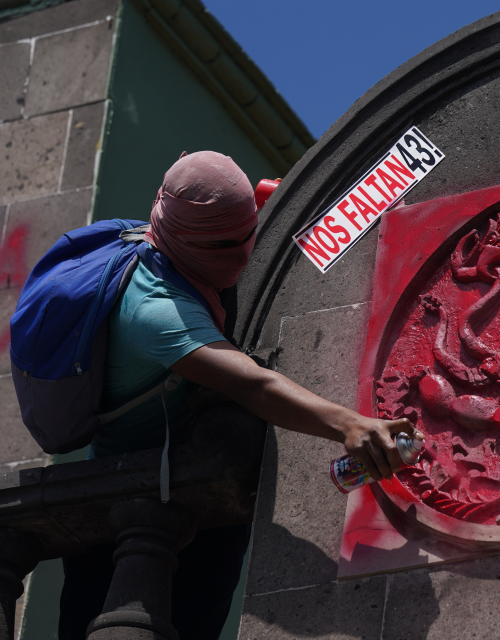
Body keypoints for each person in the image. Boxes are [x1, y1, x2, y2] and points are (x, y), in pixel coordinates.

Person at [58, 151, 414, 639]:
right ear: (181, 237)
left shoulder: (189, 247)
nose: (243, 256)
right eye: (224, 244)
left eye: (250, 236)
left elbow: (373, 191)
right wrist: (351, 425)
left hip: (194, 476)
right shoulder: (155, 311)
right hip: (136, 508)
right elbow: (253, 384)